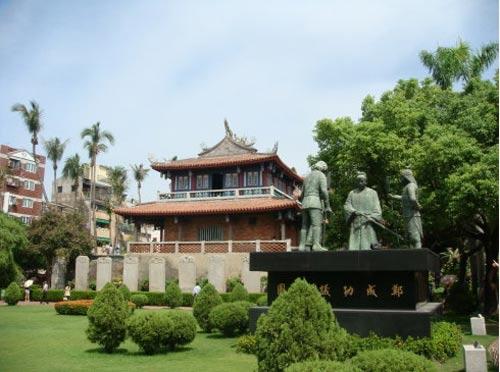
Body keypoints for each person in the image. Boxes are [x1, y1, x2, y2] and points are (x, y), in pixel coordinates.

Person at [298, 160, 332, 251]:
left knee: (304, 225)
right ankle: (316, 245)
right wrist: (328, 205)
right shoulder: (321, 175)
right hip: (315, 202)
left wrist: (303, 201)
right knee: (316, 225)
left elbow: (301, 194)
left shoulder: (306, 177)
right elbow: (324, 191)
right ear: (323, 168)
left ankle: (301, 246)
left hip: (305, 202)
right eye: (324, 170)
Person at [344, 172, 382, 250]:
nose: (360, 183)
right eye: (358, 181)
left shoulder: (373, 193)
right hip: (356, 223)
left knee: (367, 247)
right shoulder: (352, 193)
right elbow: (347, 206)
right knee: (354, 249)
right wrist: (354, 211)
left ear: (366, 182)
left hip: (367, 223)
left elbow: (377, 209)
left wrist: (371, 217)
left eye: (362, 181)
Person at [389, 169, 423, 249]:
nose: (400, 179)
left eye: (401, 177)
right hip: (407, 215)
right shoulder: (406, 187)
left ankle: (418, 254)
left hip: (412, 215)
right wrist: (393, 197)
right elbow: (404, 198)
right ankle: (413, 252)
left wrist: (417, 206)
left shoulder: (411, 185)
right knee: (410, 237)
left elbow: (413, 199)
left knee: (414, 236)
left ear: (406, 177)